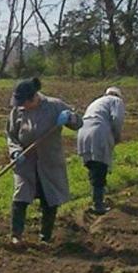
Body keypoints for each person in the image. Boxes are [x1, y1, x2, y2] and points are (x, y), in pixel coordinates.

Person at [6, 77, 81, 244]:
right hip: (25, 163)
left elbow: (79, 123)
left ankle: (45, 237)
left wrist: (70, 117)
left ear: (34, 97)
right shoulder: (17, 111)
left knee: (50, 199)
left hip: (49, 162)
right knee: (20, 197)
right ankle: (16, 236)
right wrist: (15, 151)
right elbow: (11, 135)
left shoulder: (55, 106)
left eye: (24, 102)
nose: (21, 106)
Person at [77, 86, 126, 215]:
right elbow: (117, 119)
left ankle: (97, 197)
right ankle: (98, 204)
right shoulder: (116, 101)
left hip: (83, 133)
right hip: (98, 132)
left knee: (93, 165)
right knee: (100, 166)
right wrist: (117, 136)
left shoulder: (97, 101)